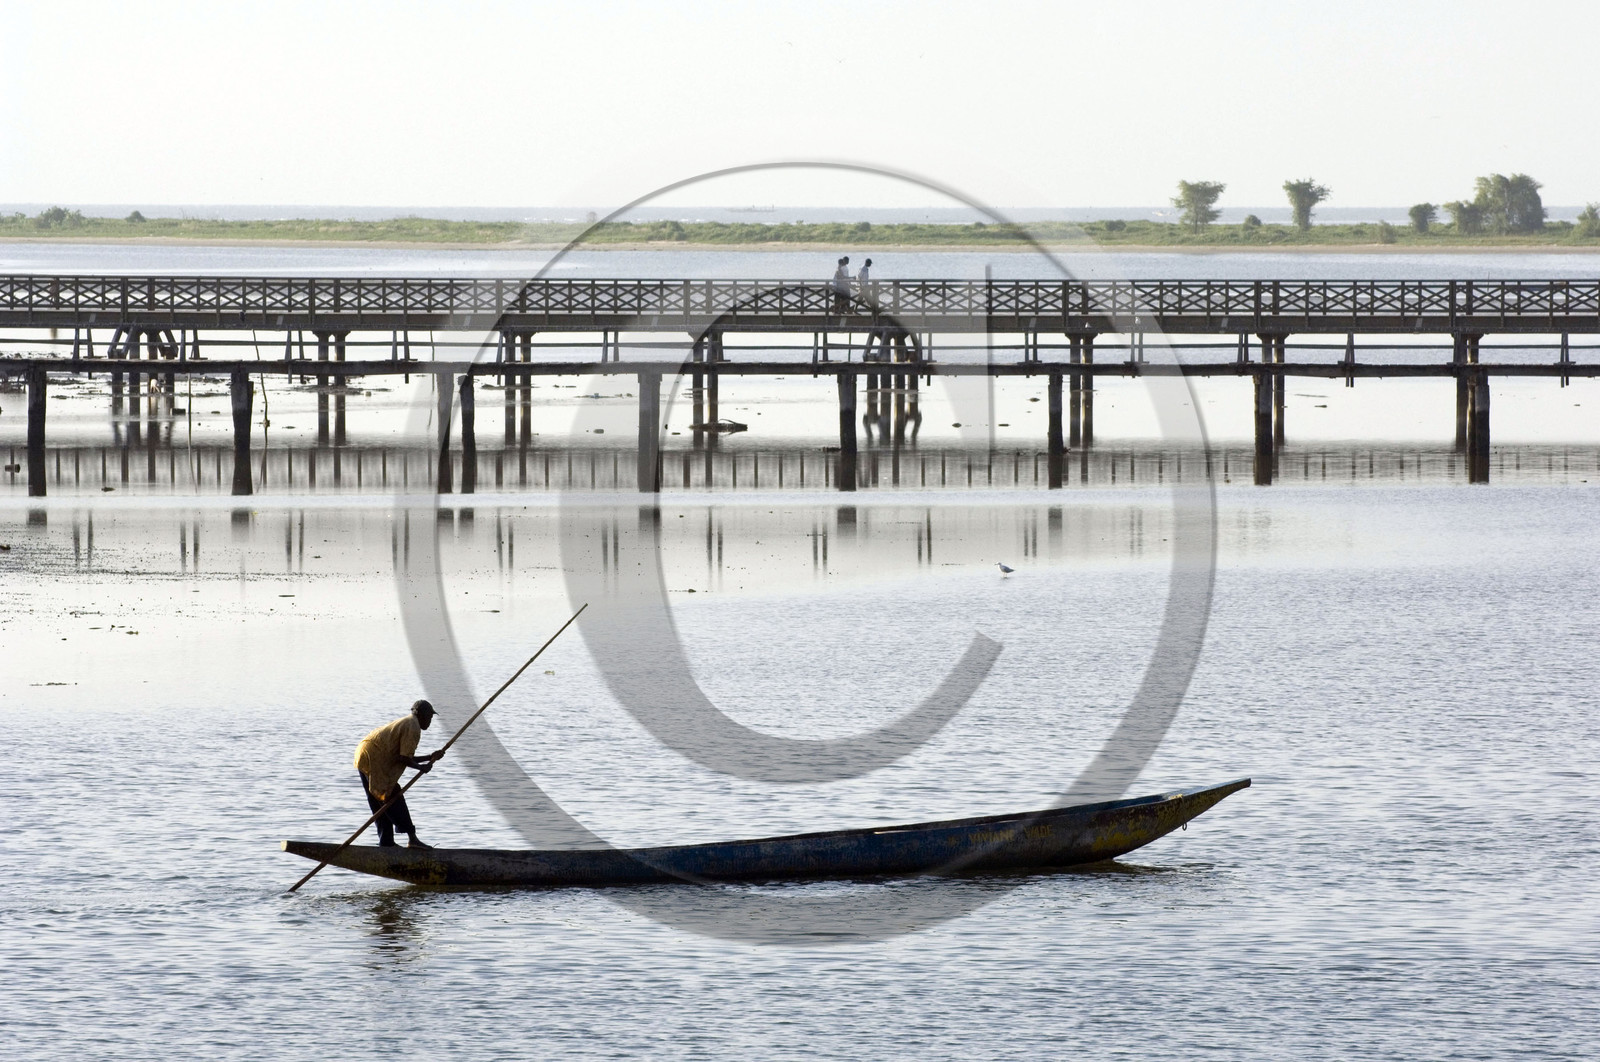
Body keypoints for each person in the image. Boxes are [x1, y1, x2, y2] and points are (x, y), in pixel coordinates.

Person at [354, 699, 444, 848]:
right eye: (429, 717)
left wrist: (430, 757)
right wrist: (421, 768)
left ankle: (386, 842)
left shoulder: (409, 722)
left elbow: (403, 757)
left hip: (364, 755)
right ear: (421, 715)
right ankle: (412, 838)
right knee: (393, 795)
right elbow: (404, 759)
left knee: (380, 800)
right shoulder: (413, 726)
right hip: (373, 757)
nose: (430, 721)